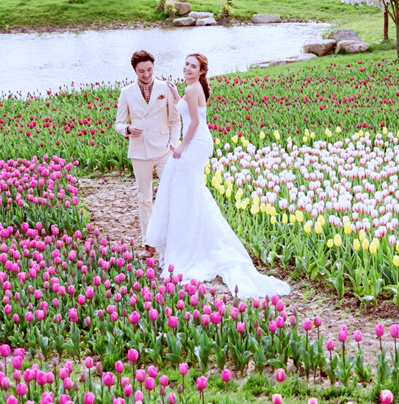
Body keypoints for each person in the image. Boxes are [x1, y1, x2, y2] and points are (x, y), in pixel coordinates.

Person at [146, 52, 291, 298]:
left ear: (202, 71)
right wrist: (174, 94)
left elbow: (193, 123)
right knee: (188, 189)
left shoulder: (193, 89)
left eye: (193, 66)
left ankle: (191, 243)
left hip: (196, 141)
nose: (188, 68)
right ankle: (190, 236)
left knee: (185, 186)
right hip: (198, 141)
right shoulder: (192, 88)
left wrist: (181, 146)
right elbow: (190, 111)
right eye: (186, 64)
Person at [115, 49, 180, 249]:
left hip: (163, 150)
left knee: (171, 191)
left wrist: (172, 144)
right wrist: (127, 128)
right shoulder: (126, 92)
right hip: (139, 151)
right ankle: (148, 242)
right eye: (141, 71)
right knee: (144, 198)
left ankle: (172, 237)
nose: (146, 74)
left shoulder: (165, 88)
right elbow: (118, 123)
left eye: (150, 69)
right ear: (135, 70)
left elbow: (175, 119)